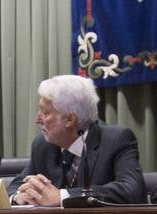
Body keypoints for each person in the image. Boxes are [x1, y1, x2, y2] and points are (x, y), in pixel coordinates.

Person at [9, 74, 145, 206]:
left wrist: (62, 196)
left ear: (70, 119)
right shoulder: (43, 145)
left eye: (45, 113)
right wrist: (18, 197)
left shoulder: (116, 140)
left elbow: (130, 190)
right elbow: (17, 185)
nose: (37, 119)